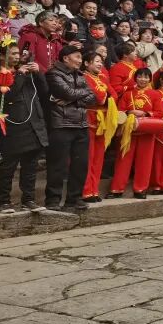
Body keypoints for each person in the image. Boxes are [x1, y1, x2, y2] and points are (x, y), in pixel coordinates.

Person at [0, 44, 48, 213]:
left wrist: (38, 73)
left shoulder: (25, 72)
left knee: (31, 166)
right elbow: (7, 97)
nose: (17, 56)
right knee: (8, 166)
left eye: (18, 53)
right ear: (1, 56)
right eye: (12, 53)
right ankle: (3, 201)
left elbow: (45, 92)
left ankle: (29, 199)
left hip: (33, 123)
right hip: (13, 125)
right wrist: (19, 75)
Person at [44, 45, 96, 211]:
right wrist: (76, 96)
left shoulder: (80, 75)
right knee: (57, 165)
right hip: (61, 124)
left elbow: (92, 97)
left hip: (81, 123)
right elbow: (67, 93)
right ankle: (53, 200)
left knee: (80, 165)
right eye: (77, 57)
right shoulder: (53, 74)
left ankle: (74, 199)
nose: (80, 61)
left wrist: (71, 99)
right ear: (66, 58)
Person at [112, 68, 160, 199]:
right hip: (129, 131)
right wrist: (129, 112)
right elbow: (120, 110)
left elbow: (159, 113)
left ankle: (140, 189)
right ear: (135, 78)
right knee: (123, 160)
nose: (143, 79)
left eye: (146, 77)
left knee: (145, 161)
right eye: (140, 76)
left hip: (147, 131)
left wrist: (145, 113)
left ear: (150, 79)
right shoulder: (127, 94)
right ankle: (116, 189)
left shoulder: (155, 94)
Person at [80, 51, 119, 203]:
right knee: (88, 157)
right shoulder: (84, 78)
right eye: (96, 61)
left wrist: (105, 98)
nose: (100, 64)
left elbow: (114, 95)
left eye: (101, 61)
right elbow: (96, 96)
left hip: (103, 121)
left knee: (98, 158)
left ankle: (94, 190)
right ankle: (86, 191)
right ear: (86, 63)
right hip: (89, 119)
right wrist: (106, 97)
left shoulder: (102, 78)